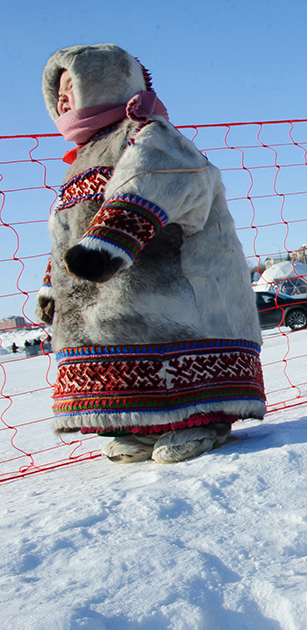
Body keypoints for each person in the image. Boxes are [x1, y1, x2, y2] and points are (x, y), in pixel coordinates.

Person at [37, 44, 266, 464]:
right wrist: (53, 288)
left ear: (104, 84)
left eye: (74, 86)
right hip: (116, 299)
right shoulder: (81, 160)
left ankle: (203, 417)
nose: (64, 98)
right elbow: (63, 230)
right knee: (122, 344)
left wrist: (108, 242)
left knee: (180, 338)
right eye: (60, 92)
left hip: (185, 286)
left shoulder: (149, 134)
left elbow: (152, 183)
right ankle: (140, 424)